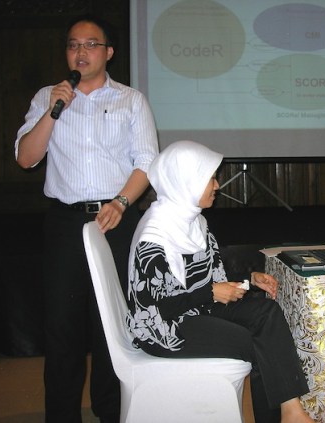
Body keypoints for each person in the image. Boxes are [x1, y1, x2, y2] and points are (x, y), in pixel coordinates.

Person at [14, 14, 159, 423]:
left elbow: (147, 161)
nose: (81, 52)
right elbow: (26, 158)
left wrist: (122, 202)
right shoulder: (49, 97)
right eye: (73, 45)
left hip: (117, 220)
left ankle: (111, 411)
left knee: (113, 323)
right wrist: (53, 112)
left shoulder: (131, 100)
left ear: (108, 52)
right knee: (62, 327)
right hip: (66, 225)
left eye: (91, 44)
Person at [126, 140, 314, 423]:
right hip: (164, 329)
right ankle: (289, 415)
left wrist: (250, 281)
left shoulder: (194, 222)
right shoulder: (153, 237)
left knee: (266, 312)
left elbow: (213, 281)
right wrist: (211, 293)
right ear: (186, 181)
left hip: (198, 310)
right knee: (254, 341)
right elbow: (157, 309)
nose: (217, 186)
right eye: (210, 178)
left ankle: (291, 411)